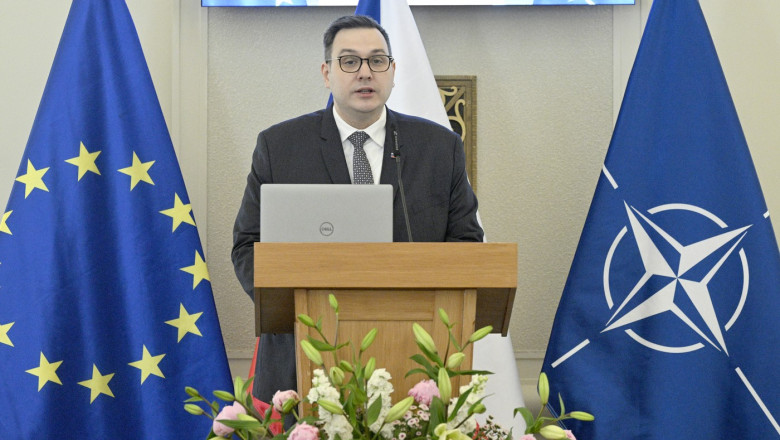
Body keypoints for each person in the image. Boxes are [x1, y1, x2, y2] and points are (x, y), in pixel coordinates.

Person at [231, 14, 484, 408]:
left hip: (415, 356)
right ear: (327, 73)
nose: (365, 72)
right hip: (303, 357)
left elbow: (466, 244)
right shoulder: (280, 147)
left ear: (393, 71)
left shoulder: (439, 147)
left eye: (377, 60)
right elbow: (248, 247)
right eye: (349, 61)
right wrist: (294, 309)